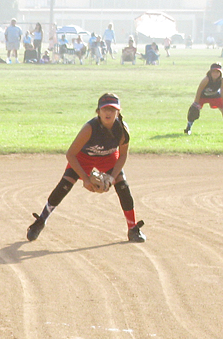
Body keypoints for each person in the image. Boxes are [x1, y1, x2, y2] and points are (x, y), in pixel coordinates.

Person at [25, 92, 145, 244]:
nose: (108, 113)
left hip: (108, 157)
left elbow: (122, 155)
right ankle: (40, 221)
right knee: (64, 185)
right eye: (105, 109)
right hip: (83, 158)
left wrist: (112, 177)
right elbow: (70, 154)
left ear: (118, 112)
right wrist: (86, 179)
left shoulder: (122, 129)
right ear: (98, 111)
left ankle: (133, 228)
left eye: (112, 109)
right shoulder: (89, 128)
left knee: (123, 186)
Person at [185, 62, 223, 135]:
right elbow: (199, 90)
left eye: (218, 72)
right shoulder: (206, 79)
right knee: (193, 111)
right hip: (203, 96)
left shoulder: (222, 80)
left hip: (215, 96)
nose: (215, 74)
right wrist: (196, 103)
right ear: (210, 72)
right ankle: (188, 128)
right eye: (213, 72)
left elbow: (222, 91)